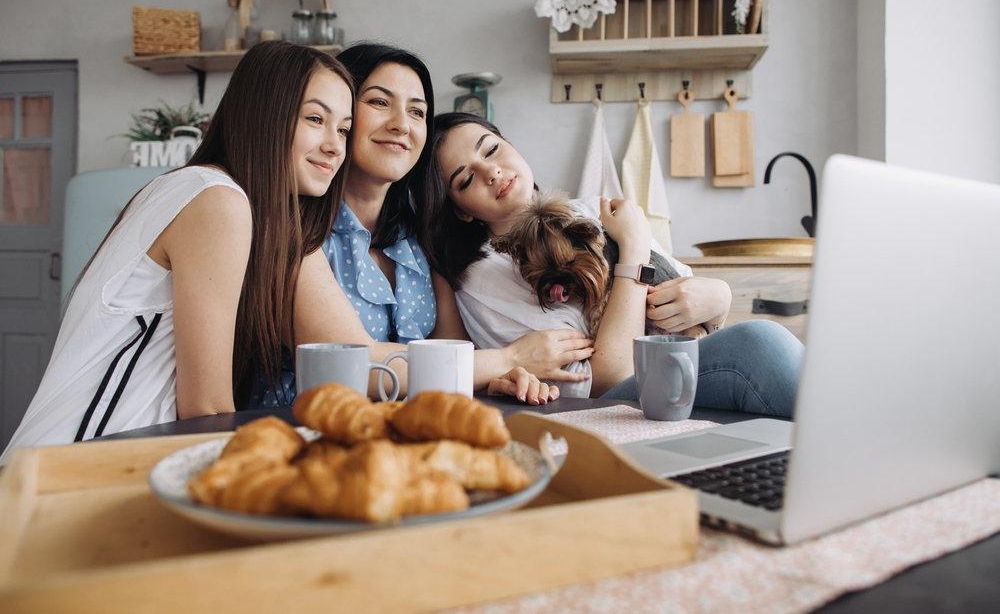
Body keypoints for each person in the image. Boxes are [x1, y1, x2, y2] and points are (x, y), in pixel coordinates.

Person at [1, 41, 355, 461]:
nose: (335, 146)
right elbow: (206, 410)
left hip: (88, 463)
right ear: (264, 117)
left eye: (344, 129)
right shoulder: (215, 199)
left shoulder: (197, 189)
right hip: (72, 473)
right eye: (316, 118)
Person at [413, 112, 803, 417]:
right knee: (758, 346)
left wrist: (719, 299)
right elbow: (608, 378)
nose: (491, 172)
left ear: (511, 144)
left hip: (675, 355)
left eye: (491, 149)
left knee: (767, 351)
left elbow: (686, 300)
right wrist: (632, 251)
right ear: (461, 212)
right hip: (613, 401)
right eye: (466, 180)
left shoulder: (591, 208)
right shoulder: (486, 273)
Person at [269, 43, 591, 408]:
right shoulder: (292, 228)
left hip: (411, 438)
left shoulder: (418, 239)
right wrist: (510, 358)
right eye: (378, 102)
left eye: (417, 111)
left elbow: (452, 354)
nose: (401, 124)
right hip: (305, 437)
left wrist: (493, 381)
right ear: (341, 110)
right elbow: (351, 366)